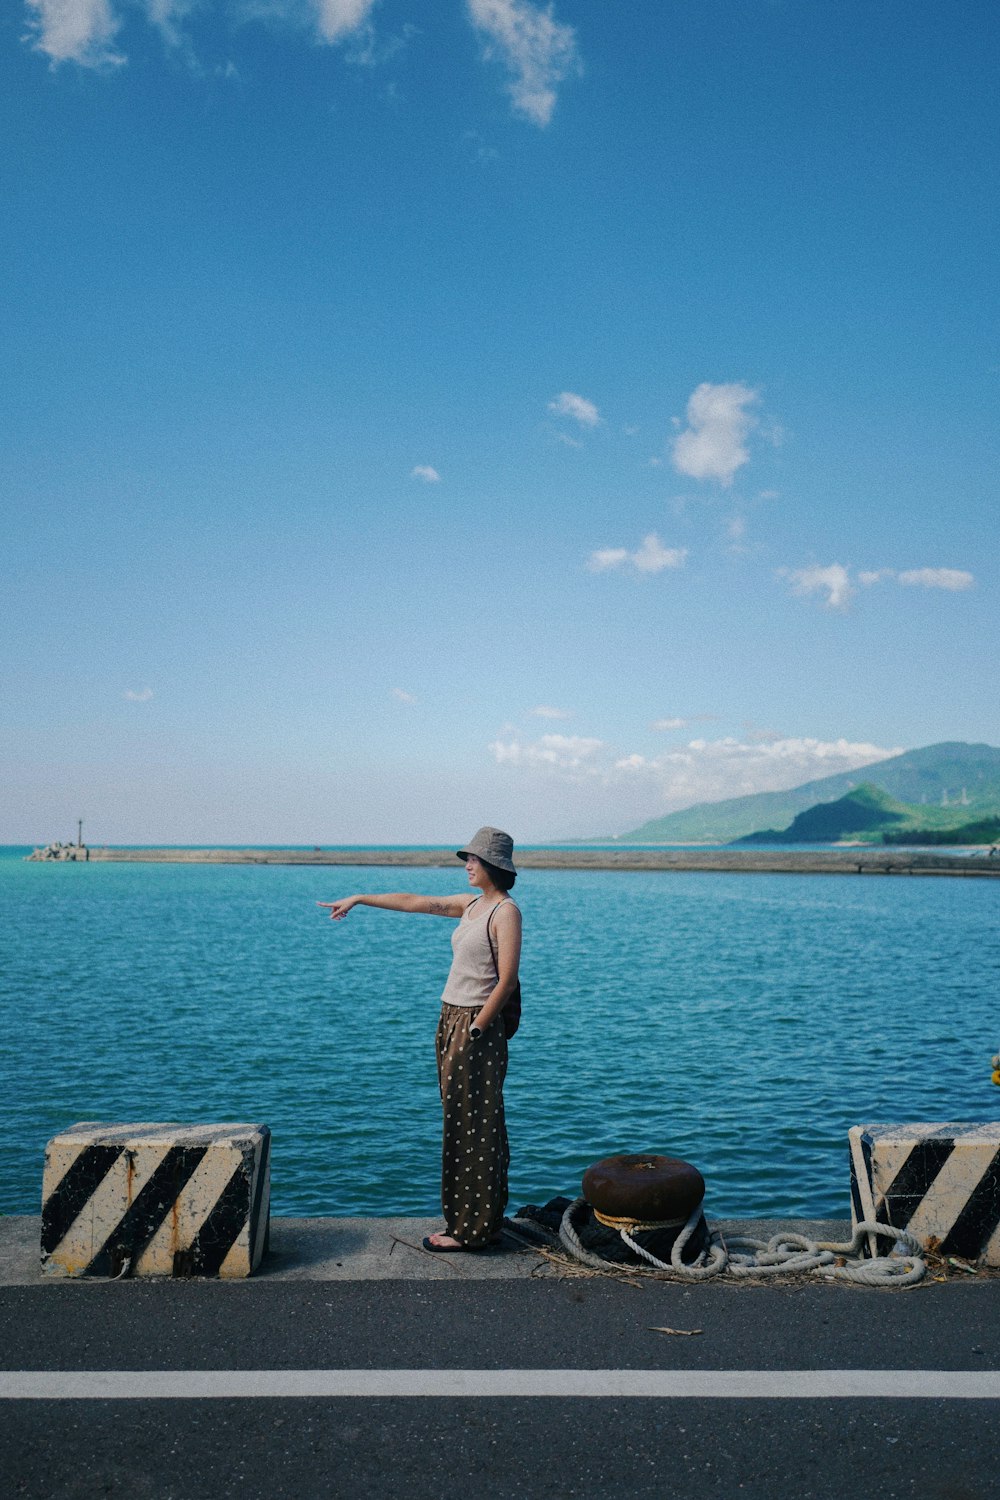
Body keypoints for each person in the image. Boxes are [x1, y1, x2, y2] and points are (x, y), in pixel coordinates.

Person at [318, 827, 521, 1252]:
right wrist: (359, 898)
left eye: (474, 860)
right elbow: (414, 902)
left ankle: (471, 1230)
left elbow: (506, 980)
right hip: (451, 1018)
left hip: (473, 1025)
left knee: (476, 1125)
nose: (467, 864)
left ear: (494, 867)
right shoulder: (471, 905)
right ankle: (477, 1221)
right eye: (467, 858)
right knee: (461, 1121)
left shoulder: (504, 912)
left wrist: (479, 1026)